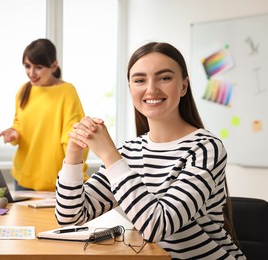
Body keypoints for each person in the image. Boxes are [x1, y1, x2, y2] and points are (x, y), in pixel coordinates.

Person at [55, 42, 245, 259]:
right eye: (140, 80)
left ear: (183, 86)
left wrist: (110, 156)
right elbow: (70, 218)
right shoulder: (128, 152)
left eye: (164, 78)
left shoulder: (206, 148)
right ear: (130, 88)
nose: (151, 89)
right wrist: (73, 156)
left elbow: (157, 226)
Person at [0, 38, 88, 191]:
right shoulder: (23, 91)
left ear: (54, 65)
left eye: (38, 67)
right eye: (27, 66)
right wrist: (13, 132)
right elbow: (19, 124)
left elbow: (74, 136)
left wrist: (74, 173)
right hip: (22, 178)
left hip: (56, 182)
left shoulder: (67, 92)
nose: (31, 73)